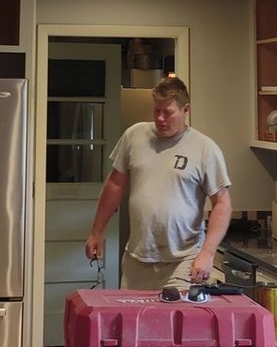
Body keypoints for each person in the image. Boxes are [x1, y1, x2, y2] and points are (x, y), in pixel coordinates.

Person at [85, 76, 232, 291]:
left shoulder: (205, 149)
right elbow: (115, 184)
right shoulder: (134, 136)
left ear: (186, 110)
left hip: (183, 261)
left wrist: (207, 253)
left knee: (175, 322)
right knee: (133, 323)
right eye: (157, 111)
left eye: (168, 112)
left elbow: (222, 203)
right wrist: (96, 231)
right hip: (137, 259)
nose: (160, 118)